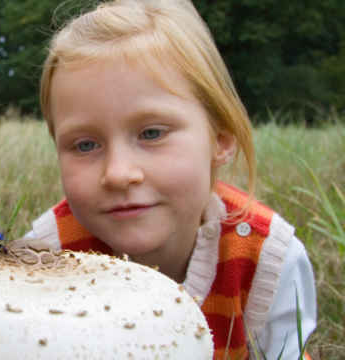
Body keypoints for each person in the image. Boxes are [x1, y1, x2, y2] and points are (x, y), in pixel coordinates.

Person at [16, 0, 317, 359]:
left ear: (220, 139)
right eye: (85, 144)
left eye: (152, 133)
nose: (118, 173)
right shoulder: (48, 257)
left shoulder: (267, 262)